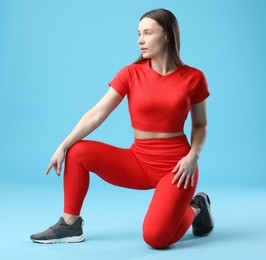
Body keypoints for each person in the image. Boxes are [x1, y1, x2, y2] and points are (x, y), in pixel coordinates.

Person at [30, 8, 214, 249]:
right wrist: (63, 145)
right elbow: (98, 112)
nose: (140, 40)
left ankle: (197, 206)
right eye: (139, 33)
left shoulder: (193, 77)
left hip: (178, 168)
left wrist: (193, 156)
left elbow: (200, 124)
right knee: (77, 151)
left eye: (148, 33)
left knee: (156, 239)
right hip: (137, 161)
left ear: (167, 35)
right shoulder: (130, 73)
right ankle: (70, 224)